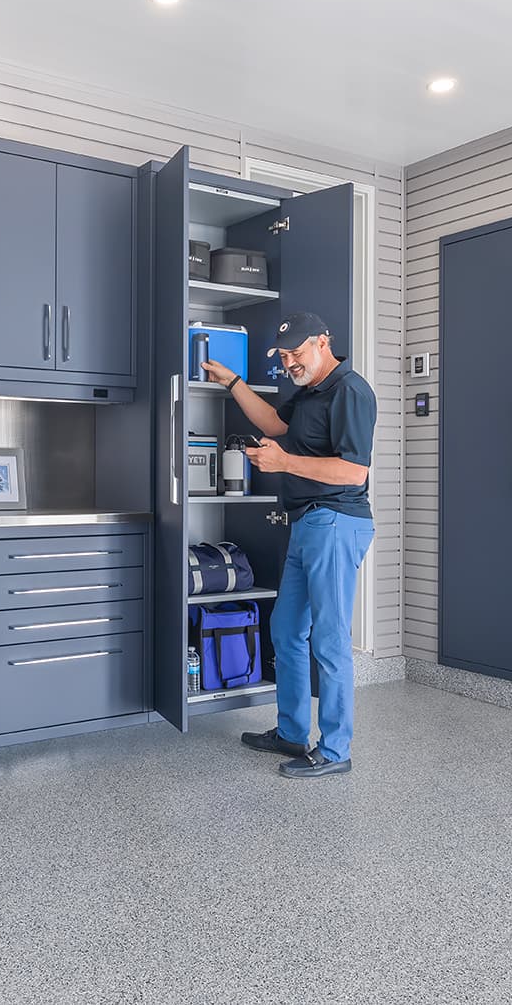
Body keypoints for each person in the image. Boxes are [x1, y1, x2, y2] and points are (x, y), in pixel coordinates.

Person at [201, 311, 376, 778]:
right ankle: (293, 733)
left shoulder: (350, 391)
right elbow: (277, 425)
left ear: (323, 341)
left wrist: (284, 464)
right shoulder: (309, 393)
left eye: (296, 353)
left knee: (330, 638)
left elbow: (354, 472)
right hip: (308, 524)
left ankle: (336, 751)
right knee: (286, 631)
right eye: (283, 355)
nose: (289, 362)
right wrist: (233, 381)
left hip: (337, 522)